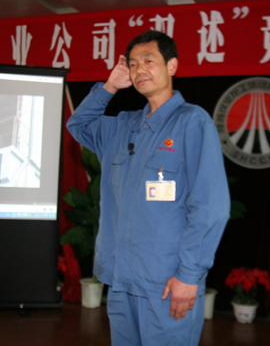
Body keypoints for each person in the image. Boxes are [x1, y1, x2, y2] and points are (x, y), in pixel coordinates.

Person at [67, 30, 230, 346]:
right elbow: (78, 125)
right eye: (132, 63)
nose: (139, 69)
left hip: (166, 282)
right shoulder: (122, 126)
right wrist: (110, 86)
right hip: (122, 280)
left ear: (172, 66)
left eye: (148, 60)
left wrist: (188, 275)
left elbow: (210, 206)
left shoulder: (192, 122)